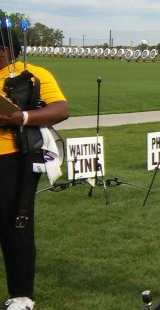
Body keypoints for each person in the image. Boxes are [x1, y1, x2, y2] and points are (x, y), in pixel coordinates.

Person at [0, 29, 69, 310]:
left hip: (13, 159)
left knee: (15, 227)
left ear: (5, 50)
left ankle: (21, 297)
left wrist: (22, 117)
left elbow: (61, 110)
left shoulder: (34, 74)